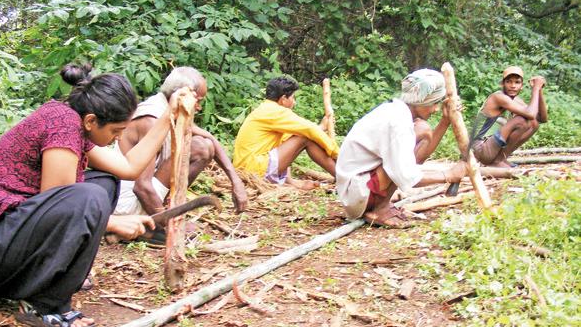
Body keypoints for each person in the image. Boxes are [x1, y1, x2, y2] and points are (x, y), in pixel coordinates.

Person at [0, 63, 186, 327]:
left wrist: (169, 115)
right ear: (92, 120)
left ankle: (55, 279)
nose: (118, 137)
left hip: (7, 244)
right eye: (116, 131)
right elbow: (59, 200)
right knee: (88, 195)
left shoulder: (74, 122)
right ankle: (45, 305)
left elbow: (128, 169)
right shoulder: (62, 126)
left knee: (103, 182)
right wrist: (115, 223)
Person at [114, 67, 247, 242]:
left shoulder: (174, 110)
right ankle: (152, 226)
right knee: (199, 147)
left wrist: (235, 182)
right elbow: (142, 187)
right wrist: (170, 225)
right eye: (197, 100)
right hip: (126, 205)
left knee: (203, 146)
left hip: (144, 195)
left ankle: (162, 215)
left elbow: (210, 139)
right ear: (182, 94)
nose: (198, 107)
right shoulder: (151, 119)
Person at [336, 69, 467, 228]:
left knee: (422, 131)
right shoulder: (398, 123)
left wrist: (445, 121)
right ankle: (380, 209)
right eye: (433, 103)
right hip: (356, 195)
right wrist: (448, 175)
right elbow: (407, 175)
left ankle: (381, 205)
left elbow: (418, 158)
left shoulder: (398, 112)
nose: (435, 109)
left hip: (359, 189)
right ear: (421, 100)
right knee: (401, 162)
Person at [232, 76, 339, 190]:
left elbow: (289, 138)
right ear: (283, 99)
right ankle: (344, 176)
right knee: (305, 138)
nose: (294, 102)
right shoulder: (275, 111)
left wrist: (321, 127)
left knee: (302, 136)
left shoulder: (266, 108)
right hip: (254, 170)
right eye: (293, 97)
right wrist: (337, 154)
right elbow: (308, 130)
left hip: (248, 168)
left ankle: (291, 182)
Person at [471, 66, 547, 168]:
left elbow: (541, 118)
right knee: (521, 121)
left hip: (490, 146)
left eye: (517, 82)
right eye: (509, 82)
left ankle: (501, 158)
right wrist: (536, 88)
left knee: (534, 124)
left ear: (521, 86)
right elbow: (531, 114)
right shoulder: (499, 97)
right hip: (479, 149)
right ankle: (497, 161)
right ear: (503, 84)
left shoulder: (514, 100)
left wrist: (539, 90)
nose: (513, 86)